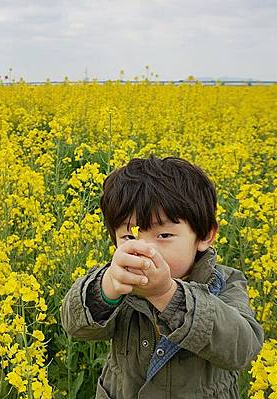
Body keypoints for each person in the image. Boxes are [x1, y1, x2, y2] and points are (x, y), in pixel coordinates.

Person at [60, 156, 264, 398]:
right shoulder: (119, 280)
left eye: (164, 235)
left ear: (205, 236)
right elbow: (75, 327)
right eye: (130, 237)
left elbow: (243, 349)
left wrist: (167, 295)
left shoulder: (225, 282)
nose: (146, 249)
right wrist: (106, 289)